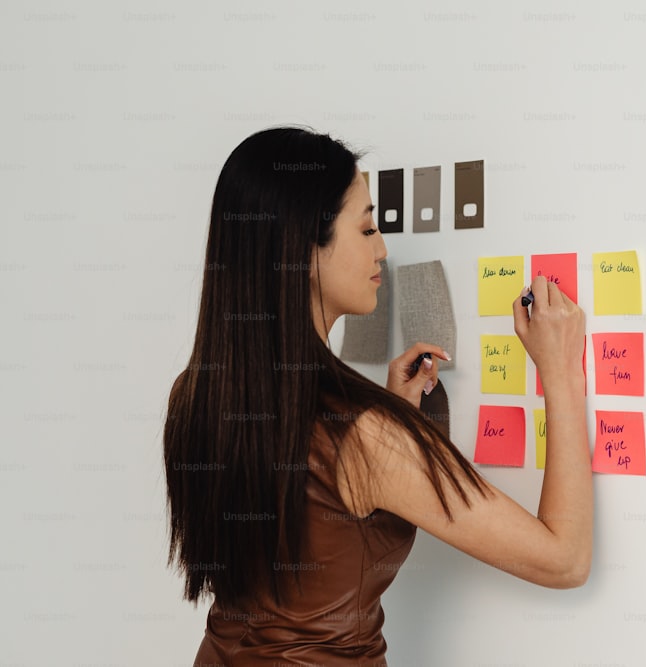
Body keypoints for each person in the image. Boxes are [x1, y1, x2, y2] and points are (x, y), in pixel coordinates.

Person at [163, 126, 592, 666]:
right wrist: (561, 374)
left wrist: (391, 414)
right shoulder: (364, 437)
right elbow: (564, 558)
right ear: (302, 249)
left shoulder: (196, 397)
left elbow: (305, 518)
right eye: (367, 229)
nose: (382, 249)